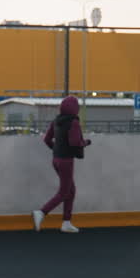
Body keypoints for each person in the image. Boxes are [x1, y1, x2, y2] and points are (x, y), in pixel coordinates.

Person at [32, 95, 91, 233]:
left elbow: (46, 139)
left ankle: (66, 223)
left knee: (71, 191)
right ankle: (41, 212)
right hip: (66, 161)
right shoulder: (74, 122)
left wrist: (57, 150)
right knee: (64, 192)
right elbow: (75, 143)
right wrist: (86, 142)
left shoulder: (56, 120)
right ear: (75, 108)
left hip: (56, 160)